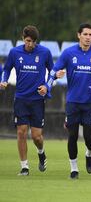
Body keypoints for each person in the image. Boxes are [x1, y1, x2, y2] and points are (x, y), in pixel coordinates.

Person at [47, 23, 91, 179]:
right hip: (73, 102)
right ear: (78, 35)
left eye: (90, 35)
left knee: (89, 138)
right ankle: (74, 169)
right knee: (72, 136)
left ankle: (89, 154)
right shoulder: (68, 53)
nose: (88, 37)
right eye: (85, 34)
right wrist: (54, 77)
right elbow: (54, 70)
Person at [0, 25, 53, 175]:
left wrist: (46, 87)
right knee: (21, 133)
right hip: (21, 98)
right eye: (28, 40)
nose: (30, 44)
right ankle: (24, 167)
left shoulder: (45, 52)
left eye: (33, 41)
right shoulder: (14, 52)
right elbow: (6, 69)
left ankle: (41, 153)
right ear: (23, 38)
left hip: (37, 99)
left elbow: (53, 72)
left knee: (36, 136)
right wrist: (3, 80)